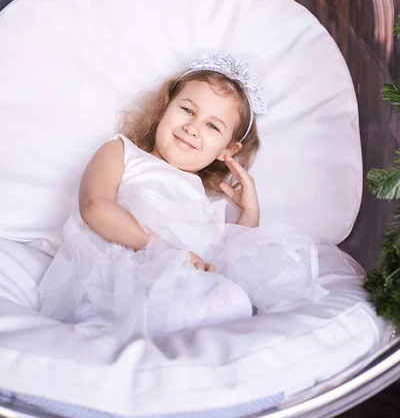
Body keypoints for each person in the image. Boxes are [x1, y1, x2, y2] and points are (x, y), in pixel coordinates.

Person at [38, 54, 326, 341]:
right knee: (194, 304)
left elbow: (231, 257)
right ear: (166, 107)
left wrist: (249, 210)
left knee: (233, 296)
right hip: (124, 271)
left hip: (183, 283)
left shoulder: (200, 197)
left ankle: (196, 331)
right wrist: (162, 250)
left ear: (228, 151)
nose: (192, 127)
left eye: (213, 126)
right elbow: (94, 206)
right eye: (187, 110)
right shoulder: (123, 153)